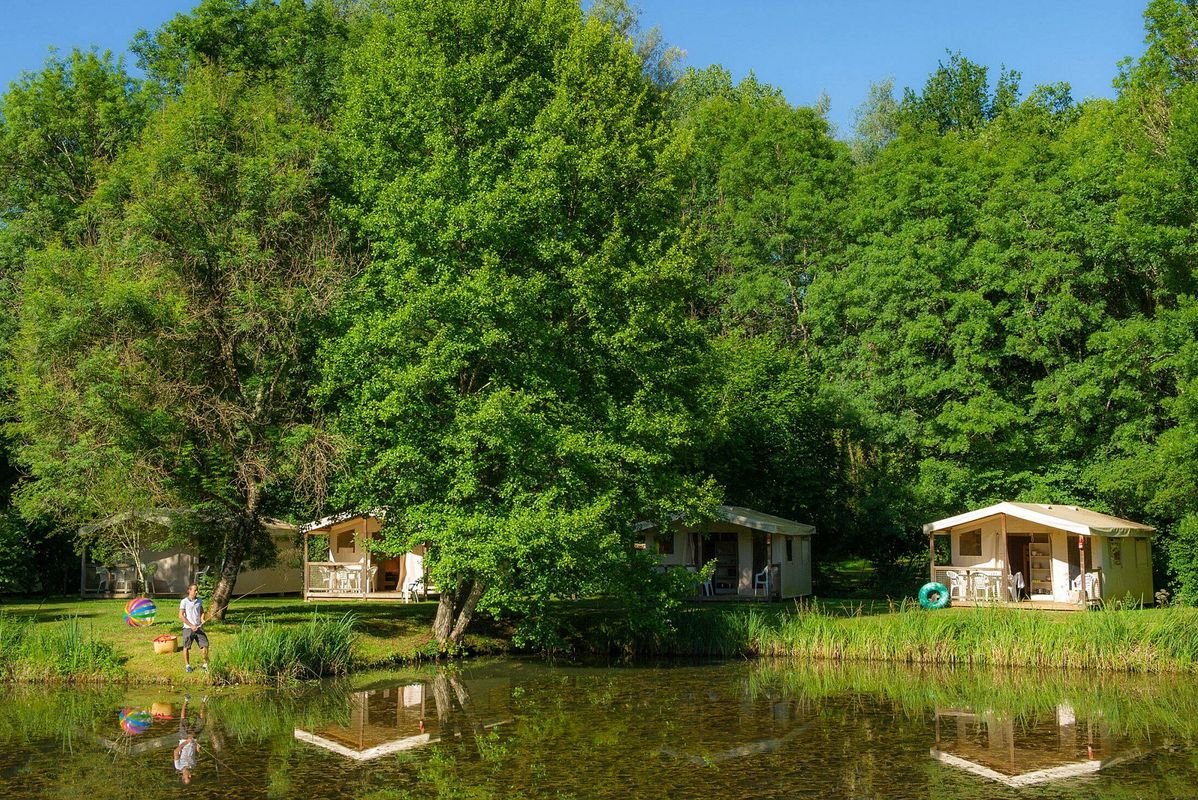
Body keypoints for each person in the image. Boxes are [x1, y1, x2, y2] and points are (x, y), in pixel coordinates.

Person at [179, 583, 209, 673]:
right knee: (186, 646)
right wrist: (191, 625)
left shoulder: (199, 600)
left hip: (199, 627)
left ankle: (205, 665)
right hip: (188, 628)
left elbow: (202, 611)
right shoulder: (184, 601)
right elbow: (181, 616)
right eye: (194, 590)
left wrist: (202, 619)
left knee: (205, 645)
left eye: (197, 590)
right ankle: (187, 666)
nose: (196, 592)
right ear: (189, 590)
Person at [173, 698, 202, 785]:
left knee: (183, 719)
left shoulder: (178, 766)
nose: (190, 776)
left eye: (188, 777)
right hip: (193, 740)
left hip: (184, 738)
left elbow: (176, 752)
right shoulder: (193, 766)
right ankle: (203, 701)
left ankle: (186, 700)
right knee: (201, 722)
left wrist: (186, 742)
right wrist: (198, 747)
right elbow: (196, 754)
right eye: (190, 777)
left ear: (183, 777)